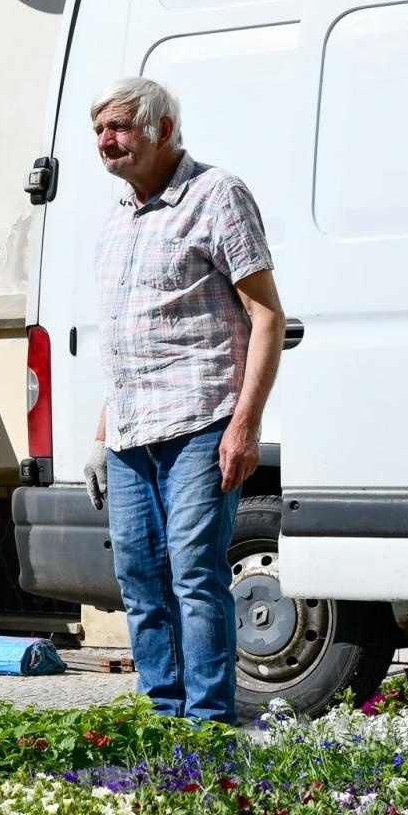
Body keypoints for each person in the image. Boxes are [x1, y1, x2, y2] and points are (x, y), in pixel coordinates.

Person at [82, 77, 286, 724]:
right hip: (129, 433)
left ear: (163, 130)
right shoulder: (116, 219)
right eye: (98, 131)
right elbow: (124, 337)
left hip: (201, 420)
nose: (105, 142)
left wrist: (244, 426)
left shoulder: (216, 196)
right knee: (140, 581)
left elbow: (266, 317)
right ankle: (161, 720)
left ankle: (207, 729)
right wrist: (99, 431)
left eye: (117, 127)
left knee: (193, 576)